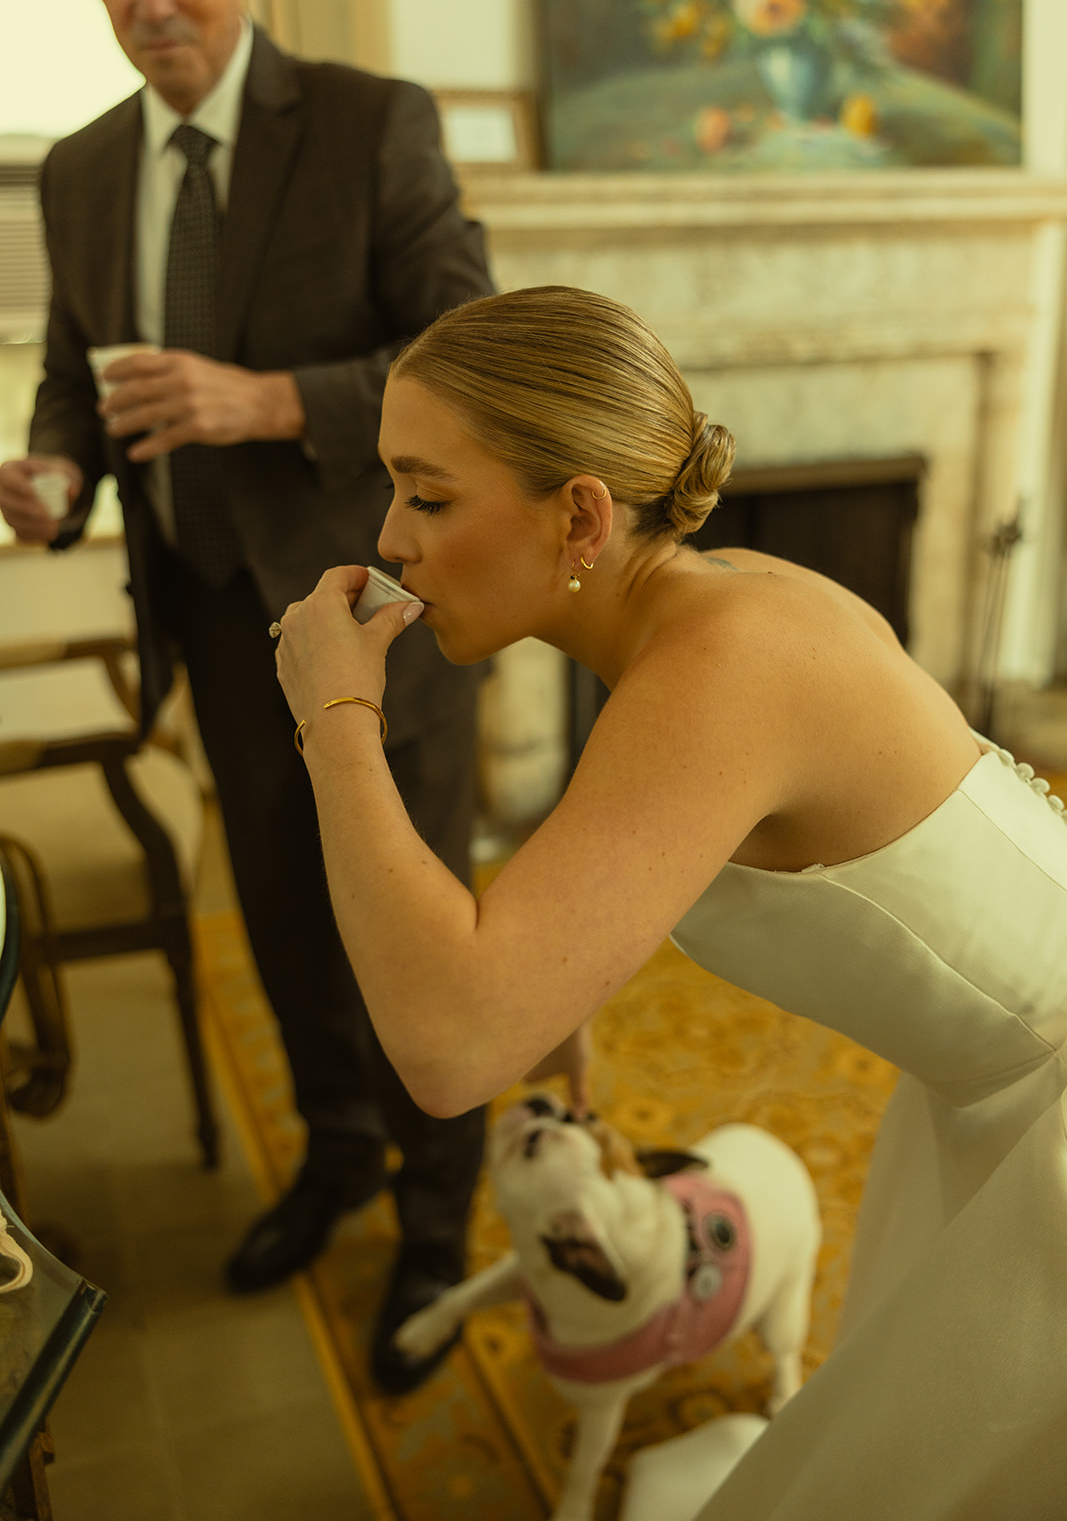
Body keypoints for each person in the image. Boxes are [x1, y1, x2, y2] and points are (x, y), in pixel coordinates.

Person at [273, 284, 1067, 1517]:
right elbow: (626, 868)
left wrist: (336, 719)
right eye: (393, 490)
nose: (390, 538)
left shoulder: (721, 662)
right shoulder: (710, 596)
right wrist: (563, 965)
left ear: (579, 514)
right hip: (992, 1084)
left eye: (429, 496)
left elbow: (446, 1049)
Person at [0, 0, 492, 1393]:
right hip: (212, 614)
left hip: (380, 608)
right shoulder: (77, 167)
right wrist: (54, 472)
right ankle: (340, 1153)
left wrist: (268, 398)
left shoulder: (370, 122)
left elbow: (468, 342)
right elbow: (73, 374)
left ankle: (434, 1214)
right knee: (278, 905)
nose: (146, 3)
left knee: (421, 935)